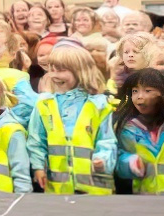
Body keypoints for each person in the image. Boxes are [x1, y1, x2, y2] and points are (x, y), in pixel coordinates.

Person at [27, 45, 116, 195]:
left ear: (80, 72)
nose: (55, 75)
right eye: (52, 69)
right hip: (58, 189)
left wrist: (103, 160)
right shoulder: (44, 104)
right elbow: (36, 140)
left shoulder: (101, 105)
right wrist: (38, 167)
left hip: (95, 190)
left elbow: (107, 140)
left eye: (61, 70)